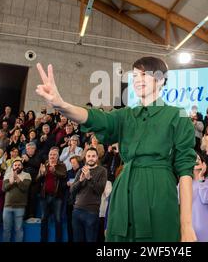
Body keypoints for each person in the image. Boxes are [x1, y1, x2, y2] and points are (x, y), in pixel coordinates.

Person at [35, 57, 197, 242]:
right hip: (123, 193)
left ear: (160, 79)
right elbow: (95, 117)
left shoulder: (178, 116)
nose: (137, 79)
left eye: (144, 74)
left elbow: (185, 172)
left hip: (159, 194)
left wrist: (186, 226)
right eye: (135, 75)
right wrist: (62, 105)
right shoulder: (125, 115)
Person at [70, 147, 107, 242]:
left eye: (93, 156)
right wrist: (81, 181)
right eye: (89, 156)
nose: (91, 158)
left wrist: (89, 178)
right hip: (77, 211)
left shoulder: (102, 171)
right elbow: (72, 190)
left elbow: (100, 190)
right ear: (85, 158)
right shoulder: (80, 170)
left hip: (91, 212)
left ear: (97, 157)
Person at [37, 147, 67, 242]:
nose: (52, 156)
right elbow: (37, 180)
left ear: (57, 157)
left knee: (58, 220)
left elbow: (63, 175)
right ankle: (43, 239)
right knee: (43, 219)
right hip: (44, 196)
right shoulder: (44, 165)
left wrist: (54, 171)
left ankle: (58, 240)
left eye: (54, 155)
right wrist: (41, 173)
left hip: (57, 196)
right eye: (50, 155)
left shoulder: (62, 165)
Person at [190, 154, 208, 242]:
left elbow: (206, 199)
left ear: (203, 164)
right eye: (193, 159)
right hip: (191, 230)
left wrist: (201, 179)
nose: (197, 160)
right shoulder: (183, 183)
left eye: (199, 159)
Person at [2, 160, 31, 242]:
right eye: (15, 165)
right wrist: (11, 182)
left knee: (18, 230)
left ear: (22, 167)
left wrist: (17, 178)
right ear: (12, 167)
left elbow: (25, 188)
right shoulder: (7, 175)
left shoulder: (26, 175)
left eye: (19, 165)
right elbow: (4, 189)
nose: (17, 166)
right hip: (7, 206)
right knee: (6, 230)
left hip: (20, 206)